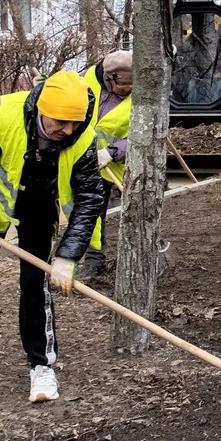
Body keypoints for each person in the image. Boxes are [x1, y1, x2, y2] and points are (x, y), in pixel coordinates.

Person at [0, 70, 107, 404]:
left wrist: (68, 255)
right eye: (61, 122)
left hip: (39, 206)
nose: (68, 131)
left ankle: (41, 366)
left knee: (35, 284)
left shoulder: (83, 138)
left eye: (75, 122)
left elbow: (89, 199)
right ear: (42, 109)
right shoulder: (4, 113)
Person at [79, 50, 132, 277]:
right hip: (76, 157)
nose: (129, 89)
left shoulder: (141, 97)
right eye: (124, 85)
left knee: (95, 213)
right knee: (74, 211)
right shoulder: (87, 79)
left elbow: (142, 136)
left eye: (132, 83)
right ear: (110, 78)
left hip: (108, 166)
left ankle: (94, 262)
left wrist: (112, 152)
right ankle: (61, 257)